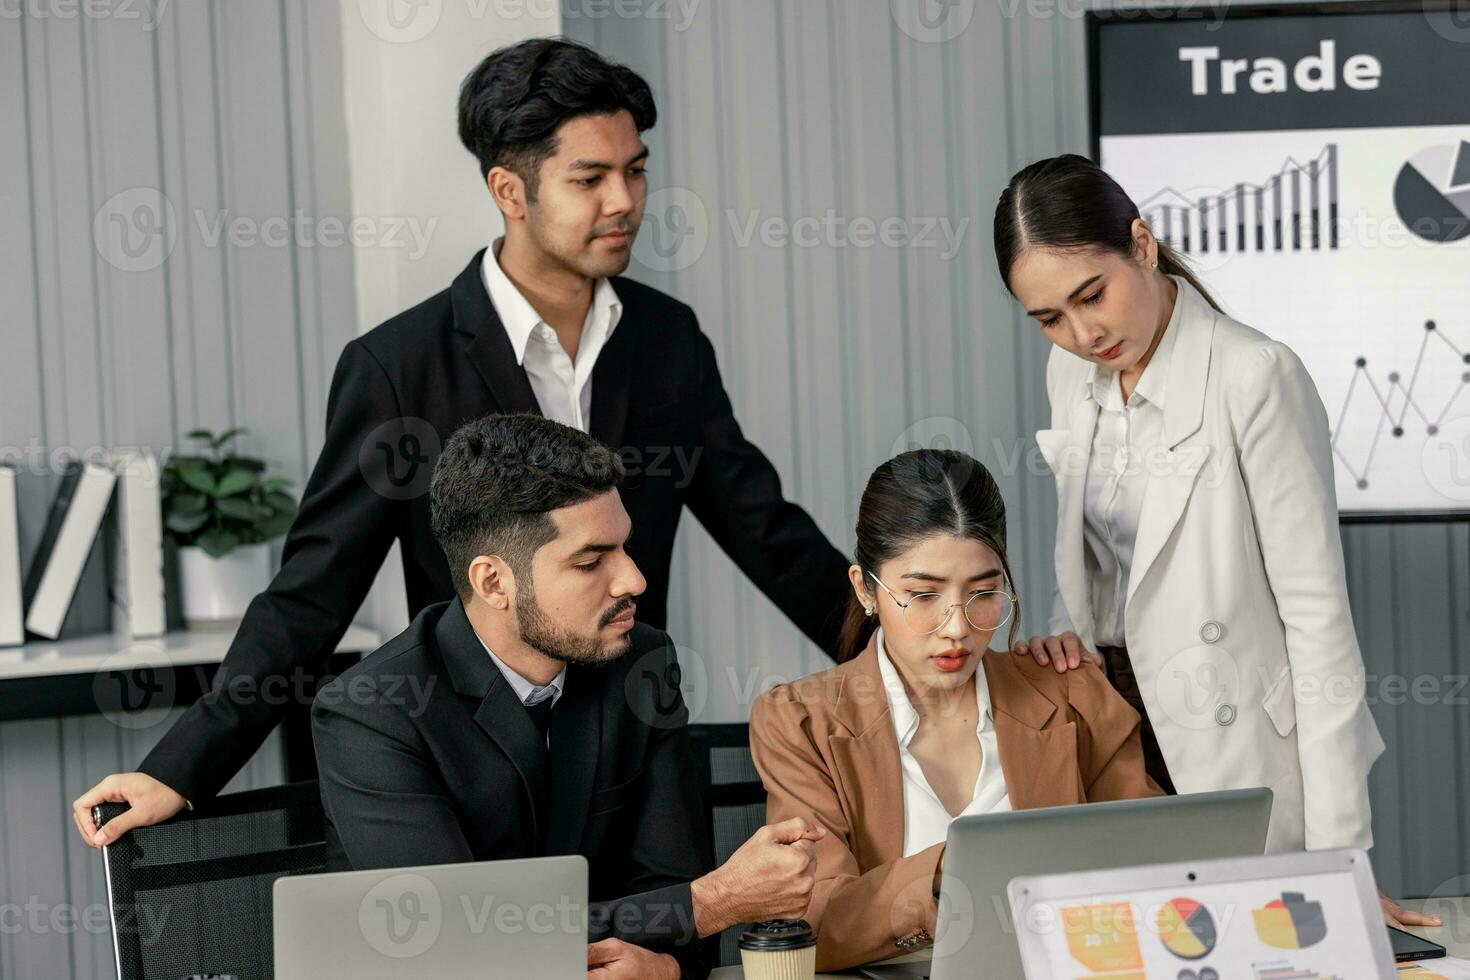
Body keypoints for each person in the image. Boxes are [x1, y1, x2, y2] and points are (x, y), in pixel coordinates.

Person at [72, 38, 849, 848]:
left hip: (631, 756)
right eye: (589, 179)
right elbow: (312, 592)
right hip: (469, 774)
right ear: (509, 190)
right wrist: (181, 766)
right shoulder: (399, 368)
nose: (625, 200)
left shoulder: (668, 340)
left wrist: (914, 642)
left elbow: (769, 531)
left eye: (636, 169)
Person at [994, 153, 1438, 930]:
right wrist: (1074, 642)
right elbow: (1107, 566)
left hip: (1229, 744)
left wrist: (1343, 860)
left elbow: (1319, 623)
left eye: (1090, 296)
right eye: (1049, 318)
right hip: (1118, 738)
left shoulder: (1255, 375)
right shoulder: (1070, 375)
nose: (1081, 332)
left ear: (1140, 243)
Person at [313, 414, 825, 980]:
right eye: (590, 561)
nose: (633, 580)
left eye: (625, 548)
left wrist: (666, 970)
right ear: (493, 582)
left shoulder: (641, 661)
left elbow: (675, 903)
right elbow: (456, 938)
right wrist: (712, 902)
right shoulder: (372, 711)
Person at [748, 449, 1162, 972]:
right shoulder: (800, 721)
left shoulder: (1070, 692)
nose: (958, 627)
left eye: (984, 592)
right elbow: (817, 926)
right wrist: (960, 867)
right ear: (864, 590)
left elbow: (1156, 866)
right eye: (923, 595)